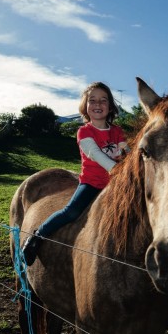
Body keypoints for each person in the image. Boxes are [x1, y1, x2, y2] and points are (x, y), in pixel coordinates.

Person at [22, 81, 130, 266]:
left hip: (116, 183)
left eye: (103, 100)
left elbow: (127, 152)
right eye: (92, 100)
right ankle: (36, 237)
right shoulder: (84, 131)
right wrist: (119, 170)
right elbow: (95, 155)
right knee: (71, 212)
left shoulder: (117, 131)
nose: (98, 104)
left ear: (110, 106)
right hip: (92, 182)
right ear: (85, 107)